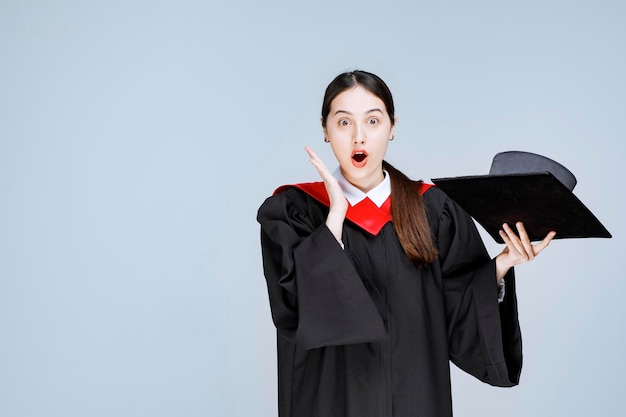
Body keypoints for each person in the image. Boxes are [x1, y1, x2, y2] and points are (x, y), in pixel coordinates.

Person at [257, 70, 555, 417]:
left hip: (415, 400)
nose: (359, 137)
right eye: (343, 122)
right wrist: (335, 216)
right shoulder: (295, 212)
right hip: (330, 402)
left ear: (392, 127)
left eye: (372, 120)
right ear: (325, 130)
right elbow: (296, 311)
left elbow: (458, 314)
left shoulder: (433, 210)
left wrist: (501, 265)